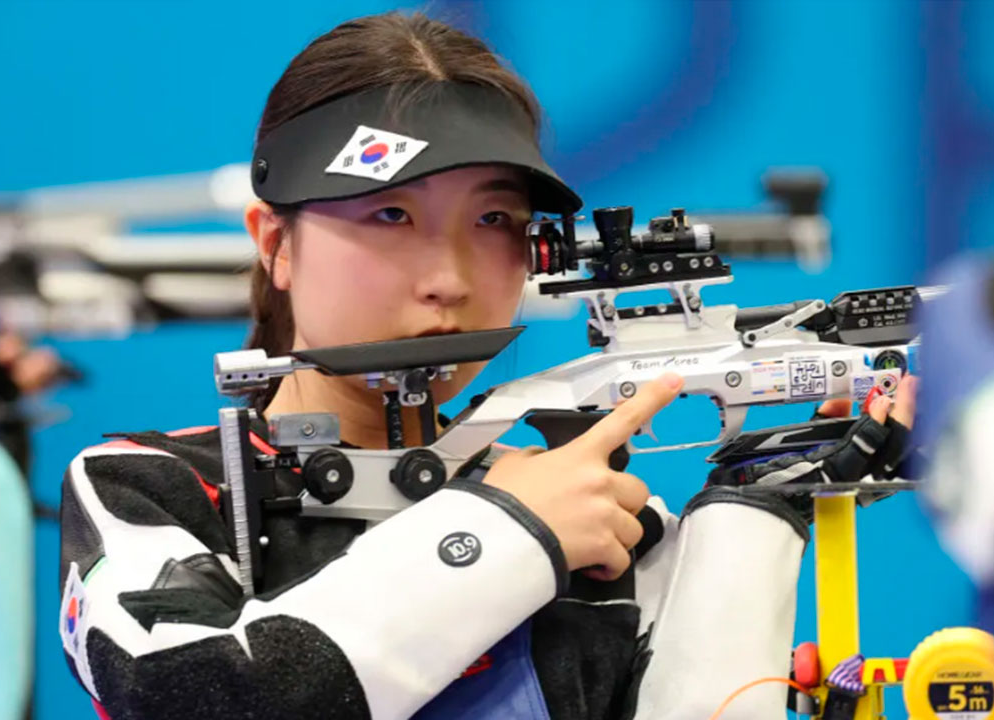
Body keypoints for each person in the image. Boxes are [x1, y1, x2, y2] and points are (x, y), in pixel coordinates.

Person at [57, 11, 917, 719]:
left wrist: (754, 506)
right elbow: (192, 696)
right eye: (391, 214)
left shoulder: (604, 511)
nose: (450, 279)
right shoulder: (149, 486)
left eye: (495, 221)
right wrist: (509, 529)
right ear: (275, 243)